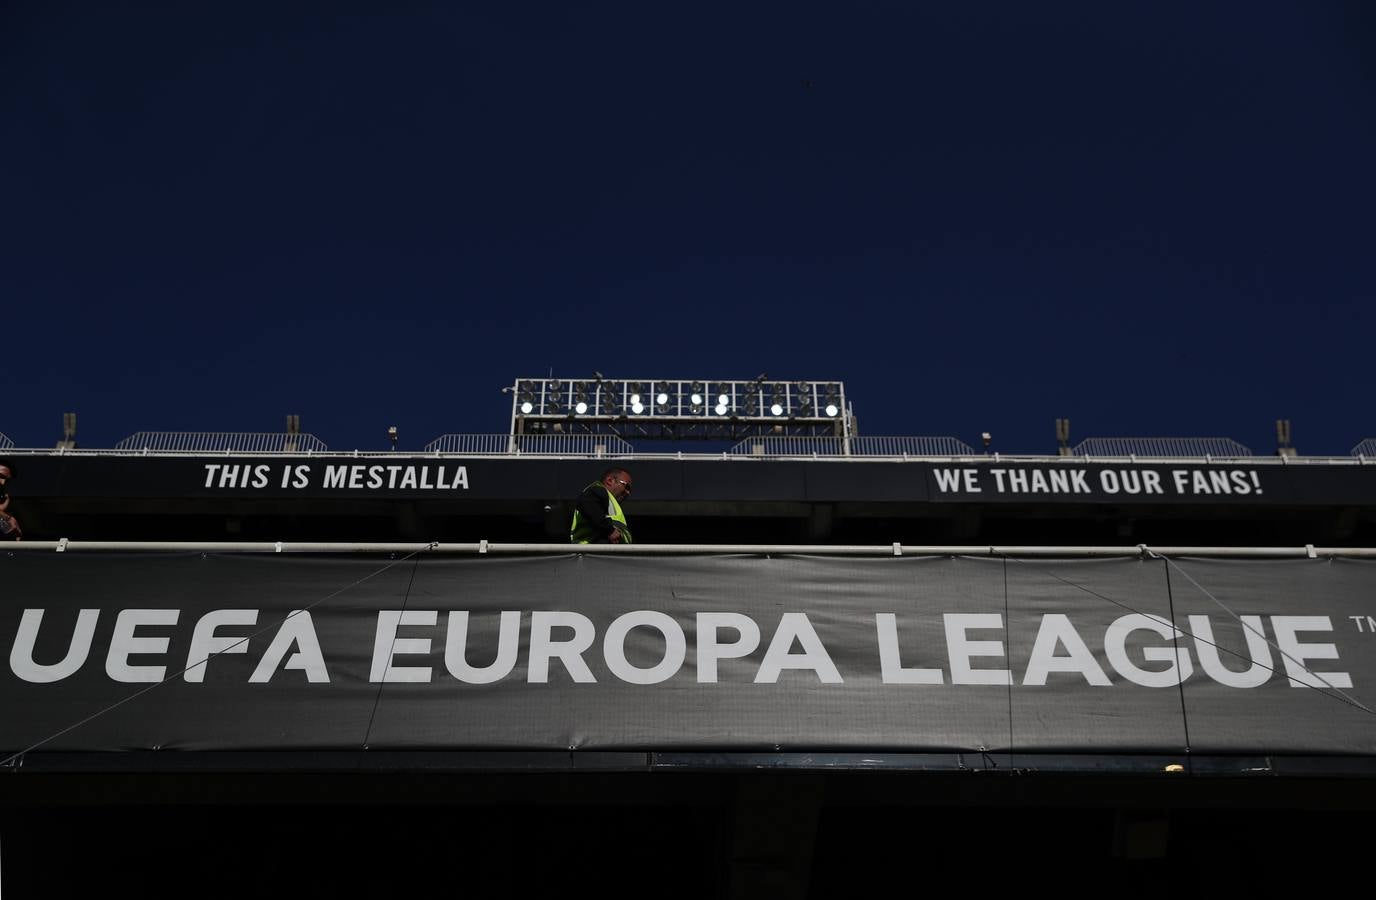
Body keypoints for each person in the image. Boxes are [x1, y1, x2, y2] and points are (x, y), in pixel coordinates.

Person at [570, 467, 633, 544]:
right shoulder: (598, 490)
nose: (628, 492)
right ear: (610, 480)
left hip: (600, 552)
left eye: (630, 490)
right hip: (592, 552)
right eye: (626, 486)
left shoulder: (608, 500)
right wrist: (610, 530)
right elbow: (586, 502)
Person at [0, 460, 21, 541]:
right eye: (0, 476)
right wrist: (8, 518)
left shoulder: (5, 496)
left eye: (7, 480)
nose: (3, 482)